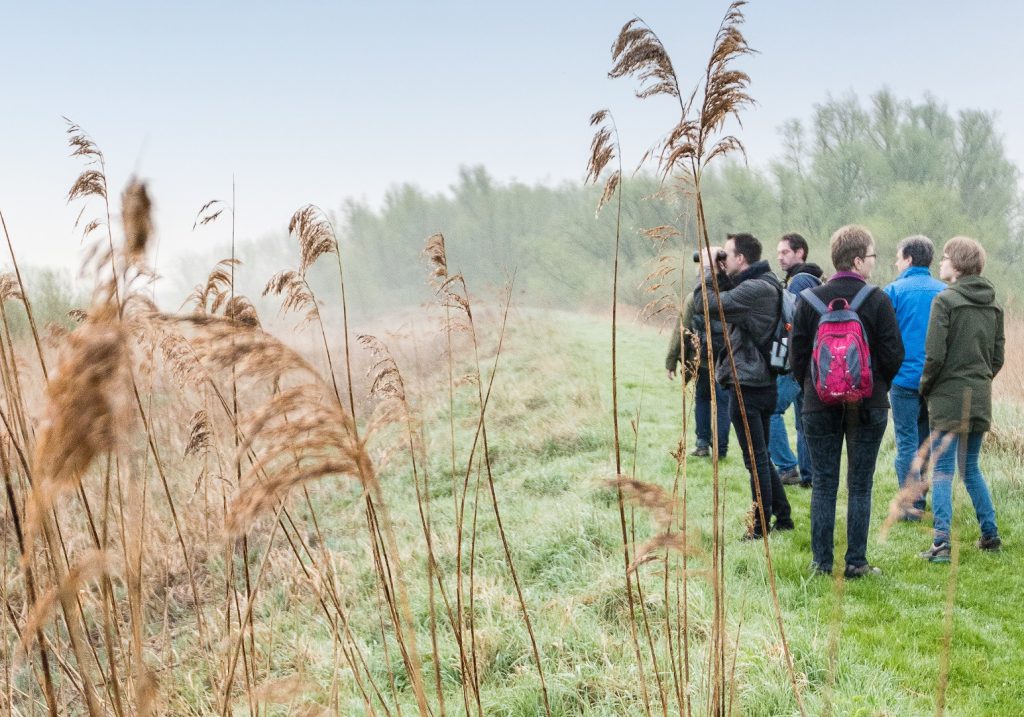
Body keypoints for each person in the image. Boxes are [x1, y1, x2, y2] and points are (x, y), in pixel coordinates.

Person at [790, 225, 904, 578]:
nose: (873, 263)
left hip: (818, 404)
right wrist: (875, 384)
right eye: (871, 256)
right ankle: (856, 562)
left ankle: (821, 564)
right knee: (860, 484)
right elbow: (894, 354)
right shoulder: (878, 299)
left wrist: (815, 387)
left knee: (824, 483)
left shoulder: (809, 301)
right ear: (857, 260)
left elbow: (797, 359)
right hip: (869, 405)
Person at [695, 233, 792, 539]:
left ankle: (760, 527)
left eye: (727, 254)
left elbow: (704, 303)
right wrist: (720, 272)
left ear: (741, 259)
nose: (724, 259)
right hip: (762, 382)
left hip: (748, 384)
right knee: (761, 455)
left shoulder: (754, 289)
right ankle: (784, 517)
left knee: (755, 460)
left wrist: (709, 271)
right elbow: (726, 299)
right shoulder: (765, 282)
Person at [919, 236, 1004, 562]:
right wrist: (978, 382)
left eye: (944, 257)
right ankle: (990, 533)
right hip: (980, 396)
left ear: (957, 265)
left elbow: (934, 355)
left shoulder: (945, 302)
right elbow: (997, 358)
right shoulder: (994, 304)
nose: (940, 263)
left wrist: (926, 387)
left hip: (948, 397)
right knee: (970, 468)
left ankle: (941, 544)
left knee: (941, 471)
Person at [883, 235, 946, 520]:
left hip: (903, 379)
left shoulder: (893, 292)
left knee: (906, 442)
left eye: (898, 258)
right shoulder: (945, 292)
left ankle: (911, 505)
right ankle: (923, 498)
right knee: (927, 441)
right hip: (935, 382)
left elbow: (884, 337)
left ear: (908, 259)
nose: (896, 263)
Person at [771, 233, 824, 488]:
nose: (779, 257)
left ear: (800, 252)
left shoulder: (799, 281)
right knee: (803, 420)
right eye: (779, 252)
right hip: (809, 360)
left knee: (771, 410)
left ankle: (787, 466)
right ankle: (810, 475)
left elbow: (793, 321)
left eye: (784, 252)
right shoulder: (809, 279)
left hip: (796, 360)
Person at [666, 247, 731, 458]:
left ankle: (702, 444)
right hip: (726, 362)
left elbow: (681, 330)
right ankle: (720, 448)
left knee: (703, 399)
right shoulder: (733, 292)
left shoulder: (694, 297)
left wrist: (671, 361)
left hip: (701, 360)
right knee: (722, 404)